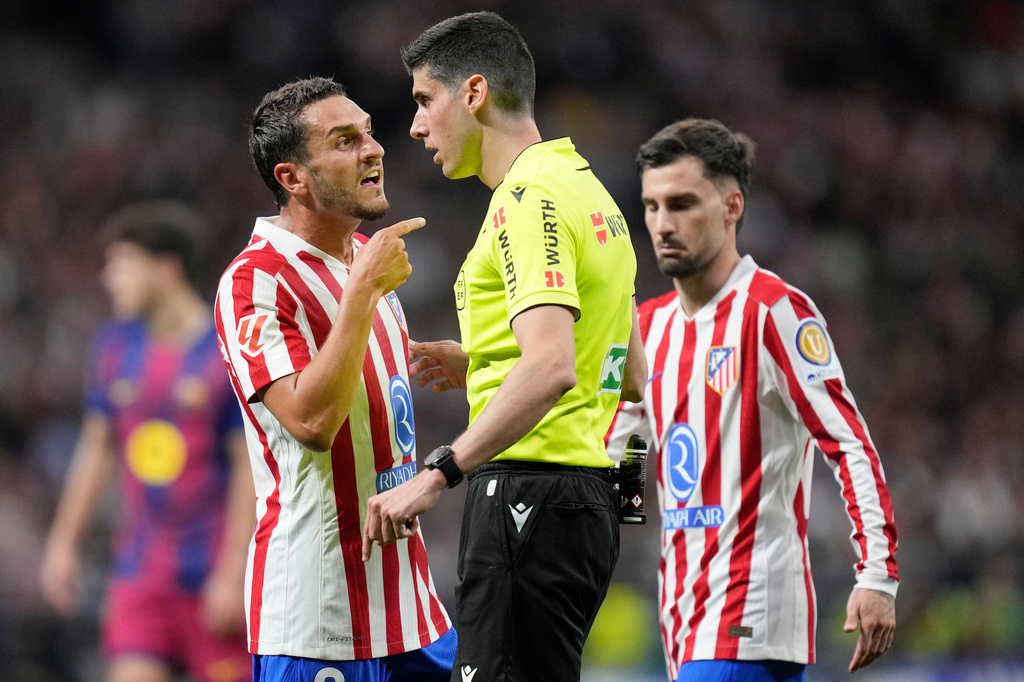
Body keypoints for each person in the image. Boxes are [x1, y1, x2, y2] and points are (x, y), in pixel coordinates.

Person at [361, 12, 647, 682]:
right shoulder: (592, 194)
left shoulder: (527, 198)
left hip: (528, 496)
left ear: (474, 93)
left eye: (424, 101)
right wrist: (485, 361)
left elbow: (551, 366)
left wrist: (435, 474)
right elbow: (629, 376)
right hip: (581, 503)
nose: (416, 126)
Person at [605, 118, 899, 682]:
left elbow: (848, 442)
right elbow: (623, 456)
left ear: (732, 206)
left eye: (683, 204)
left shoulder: (774, 311)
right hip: (680, 616)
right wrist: (602, 523)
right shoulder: (642, 328)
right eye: (651, 206)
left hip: (751, 610)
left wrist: (877, 575)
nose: (662, 224)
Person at [214, 76, 454, 682]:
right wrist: (363, 293)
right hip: (320, 622)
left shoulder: (366, 257)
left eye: (369, 133)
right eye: (345, 141)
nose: (373, 149)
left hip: (413, 610)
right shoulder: (255, 281)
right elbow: (311, 423)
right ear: (292, 178)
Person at [40, 201, 255, 682]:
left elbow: (247, 468)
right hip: (140, 571)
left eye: (122, 263)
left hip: (210, 572)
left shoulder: (224, 354)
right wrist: (62, 543)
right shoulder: (115, 348)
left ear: (166, 268)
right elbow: (97, 448)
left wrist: (233, 568)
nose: (108, 277)